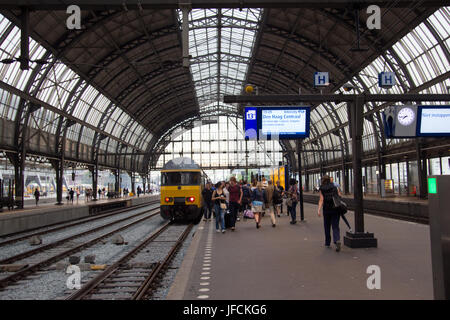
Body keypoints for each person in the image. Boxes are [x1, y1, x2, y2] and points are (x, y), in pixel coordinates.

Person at [318, 175, 342, 252]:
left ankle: (327, 243)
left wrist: (319, 210)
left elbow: (321, 199)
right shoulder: (334, 187)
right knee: (335, 226)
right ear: (330, 180)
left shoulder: (322, 188)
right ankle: (337, 240)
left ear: (323, 180)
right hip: (335, 209)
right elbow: (339, 196)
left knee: (327, 226)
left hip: (326, 209)